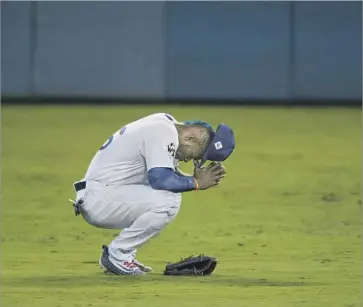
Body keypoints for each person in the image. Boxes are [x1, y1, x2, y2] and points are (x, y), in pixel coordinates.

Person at [70, 113, 235, 275]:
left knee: (167, 197)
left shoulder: (165, 125)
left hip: (105, 193)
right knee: (168, 201)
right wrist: (196, 183)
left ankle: (122, 255)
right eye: (195, 155)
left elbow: (166, 175)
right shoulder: (163, 132)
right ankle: (118, 254)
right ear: (190, 138)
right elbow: (160, 179)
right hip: (101, 198)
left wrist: (195, 180)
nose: (189, 161)